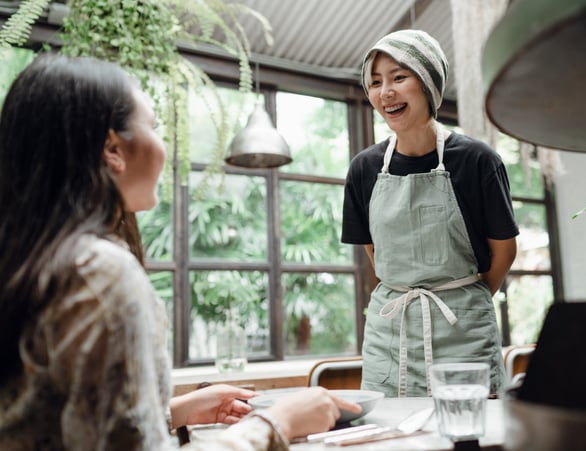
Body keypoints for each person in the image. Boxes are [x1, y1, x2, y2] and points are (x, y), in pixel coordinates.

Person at [0, 54, 360, 450]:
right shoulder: (100, 273)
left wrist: (176, 409)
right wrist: (276, 422)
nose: (165, 147)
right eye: (154, 128)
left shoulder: (34, 262)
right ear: (112, 148)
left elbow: (64, 424)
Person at [342, 30, 519, 397]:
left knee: (469, 432)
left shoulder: (477, 160)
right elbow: (376, 253)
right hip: (391, 333)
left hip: (462, 329)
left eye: (398, 77)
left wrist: (467, 300)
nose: (384, 91)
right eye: (375, 82)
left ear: (427, 83)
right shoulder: (364, 168)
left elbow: (504, 249)